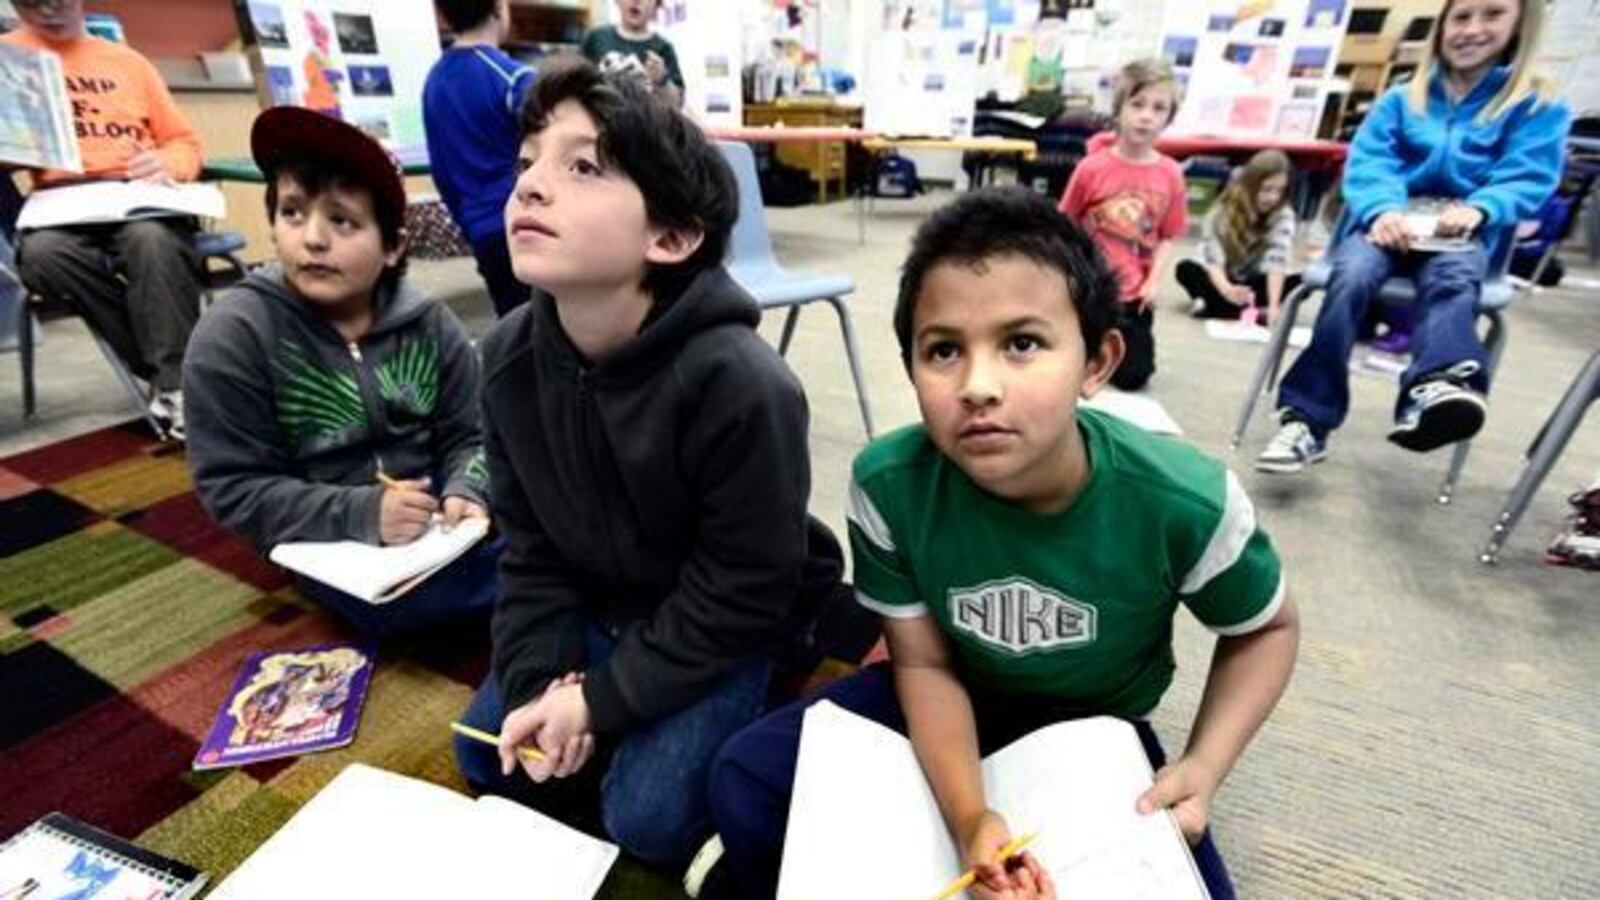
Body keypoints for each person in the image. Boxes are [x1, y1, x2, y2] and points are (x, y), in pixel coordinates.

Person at [709, 188, 1300, 900]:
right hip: (947, 691)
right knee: (744, 776)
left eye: (1023, 343)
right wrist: (970, 817)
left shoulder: (1186, 500)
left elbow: (1267, 630)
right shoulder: (887, 484)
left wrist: (1204, 765)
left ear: (1098, 362)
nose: (978, 386)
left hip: (1093, 731)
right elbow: (923, 665)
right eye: (944, 350)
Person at [451, 61, 851, 890]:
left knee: (652, 820)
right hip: (605, 597)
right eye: (528, 159)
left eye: (583, 166)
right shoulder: (505, 361)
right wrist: (543, 682)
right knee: (489, 752)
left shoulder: (744, 385)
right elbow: (529, 551)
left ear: (667, 237)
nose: (530, 184)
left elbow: (741, 587)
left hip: (729, 611)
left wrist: (598, 704)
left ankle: (789, 664)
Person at [183, 107, 496, 638]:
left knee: (553, 499)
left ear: (393, 245)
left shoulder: (432, 324)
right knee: (402, 606)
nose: (312, 239)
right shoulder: (233, 335)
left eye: (342, 220)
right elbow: (232, 486)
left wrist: (469, 486)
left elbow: (471, 433)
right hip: (323, 529)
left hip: (434, 509)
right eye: (292, 212)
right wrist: (362, 513)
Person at [1256, 0, 1571, 474]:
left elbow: (1528, 175)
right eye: (1461, 17)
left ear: (1519, 24)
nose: (1472, 29)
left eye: (1492, 15)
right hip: (1388, 229)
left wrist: (1481, 208)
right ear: (1443, 25)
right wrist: (1383, 209)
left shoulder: (1536, 105)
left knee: (1453, 279)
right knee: (1350, 275)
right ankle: (1306, 419)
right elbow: (1369, 162)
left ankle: (1436, 387)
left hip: (1461, 236)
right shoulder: (1403, 98)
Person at [4, 0, 205, 438]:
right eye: (32, 2)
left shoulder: (128, 62)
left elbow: (184, 143)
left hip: (134, 192)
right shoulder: (7, 59)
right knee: (41, 256)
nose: (49, 10)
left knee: (152, 241)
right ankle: (175, 375)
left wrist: (166, 164)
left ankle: (178, 389)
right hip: (60, 200)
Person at [1058, 57, 1187, 392]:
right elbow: (1064, 224)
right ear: (1119, 109)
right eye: (1137, 104)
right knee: (1064, 365)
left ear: (1169, 118)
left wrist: (1154, 282)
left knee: (1134, 376)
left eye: (1159, 108)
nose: (1146, 116)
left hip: (1133, 296)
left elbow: (1168, 235)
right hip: (1090, 289)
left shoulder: (1171, 174)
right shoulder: (1090, 168)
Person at [423, 0, 536, 316]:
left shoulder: (434, 82)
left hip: (481, 230)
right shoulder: (514, 78)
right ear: (499, 7)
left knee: (513, 323)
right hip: (528, 221)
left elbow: (441, 171)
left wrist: (469, 223)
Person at [1176, 149, 1301, 324]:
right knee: (1186, 269)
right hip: (1222, 279)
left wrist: (1274, 306)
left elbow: (1277, 261)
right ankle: (1243, 310)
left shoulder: (1284, 214)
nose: (1273, 197)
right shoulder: (1222, 211)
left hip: (1254, 280)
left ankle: (1218, 308)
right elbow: (1213, 260)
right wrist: (1228, 290)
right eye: (1266, 189)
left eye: (1279, 191)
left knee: (1301, 283)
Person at [580, 0, 684, 109]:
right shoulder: (596, 38)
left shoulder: (663, 48)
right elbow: (575, 85)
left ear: (657, 5)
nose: (636, 1)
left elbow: (677, 105)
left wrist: (661, 79)